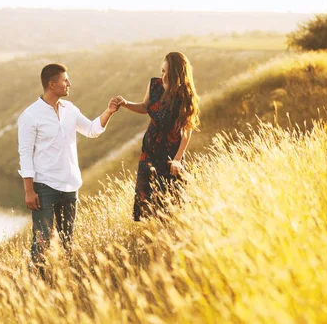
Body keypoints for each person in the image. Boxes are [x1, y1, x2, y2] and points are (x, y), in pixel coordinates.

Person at [17, 63, 119, 275]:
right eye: (65, 80)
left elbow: (91, 130)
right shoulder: (30, 116)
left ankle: (65, 282)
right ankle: (35, 284)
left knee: (67, 241)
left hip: (70, 186)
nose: (69, 84)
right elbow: (25, 155)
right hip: (44, 186)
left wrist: (108, 112)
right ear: (52, 84)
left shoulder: (70, 110)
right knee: (42, 241)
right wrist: (29, 190)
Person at [114, 52, 200, 221]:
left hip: (169, 156)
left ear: (178, 74)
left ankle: (170, 237)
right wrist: (126, 104)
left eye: (168, 73)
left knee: (169, 205)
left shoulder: (185, 95)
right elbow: (145, 107)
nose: (164, 75)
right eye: (162, 71)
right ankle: (151, 239)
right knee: (146, 204)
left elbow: (187, 129)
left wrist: (177, 159)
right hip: (148, 153)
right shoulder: (154, 84)